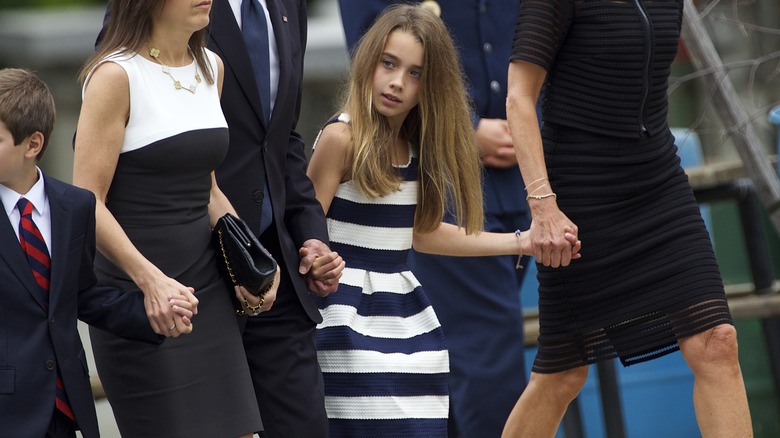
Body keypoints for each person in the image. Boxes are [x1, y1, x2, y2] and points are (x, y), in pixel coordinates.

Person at [306, 6, 579, 437]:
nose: (397, 82)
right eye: (388, 64)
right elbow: (305, 227)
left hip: (407, 321)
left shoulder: (418, 151)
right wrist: (314, 260)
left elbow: (424, 232)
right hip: (346, 323)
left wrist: (521, 242)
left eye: (415, 74)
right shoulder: (342, 138)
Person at [503, 1, 753, 437]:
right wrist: (543, 204)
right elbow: (520, 97)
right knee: (563, 373)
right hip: (581, 195)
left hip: (658, 183)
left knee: (717, 343)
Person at [74, 1, 276, 437]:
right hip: (141, 299)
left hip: (207, 298)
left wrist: (255, 261)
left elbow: (208, 190)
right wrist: (152, 282)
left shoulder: (212, 67)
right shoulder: (115, 76)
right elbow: (88, 200)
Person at [0, 68, 194, 438]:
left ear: (32, 144)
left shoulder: (75, 205)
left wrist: (152, 314)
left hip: (65, 403)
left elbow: (82, 294)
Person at [207, 1, 345, 437]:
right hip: (196, 271)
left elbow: (281, 138)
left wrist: (312, 236)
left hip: (277, 272)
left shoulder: (288, 7)